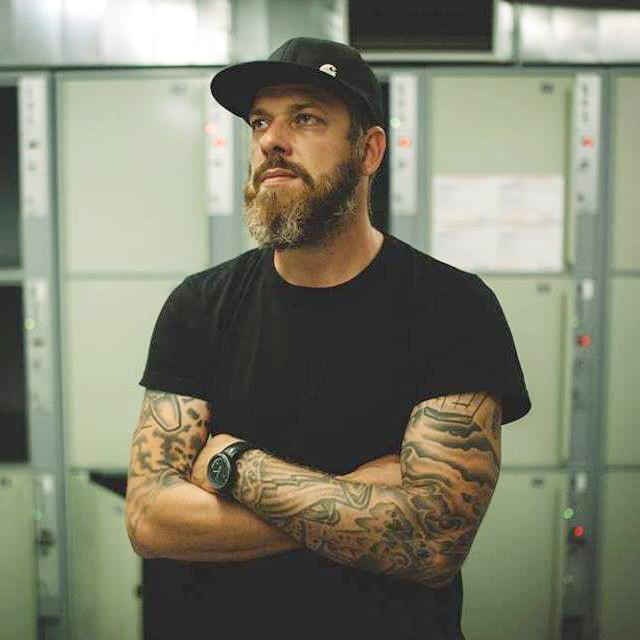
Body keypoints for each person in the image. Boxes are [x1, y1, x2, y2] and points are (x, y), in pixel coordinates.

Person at [125, 37, 531, 640]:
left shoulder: (453, 308)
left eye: (306, 118)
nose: (271, 140)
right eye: (260, 121)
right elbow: (149, 520)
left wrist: (235, 467)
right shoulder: (200, 305)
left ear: (369, 151)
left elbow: (433, 542)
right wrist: (365, 496)